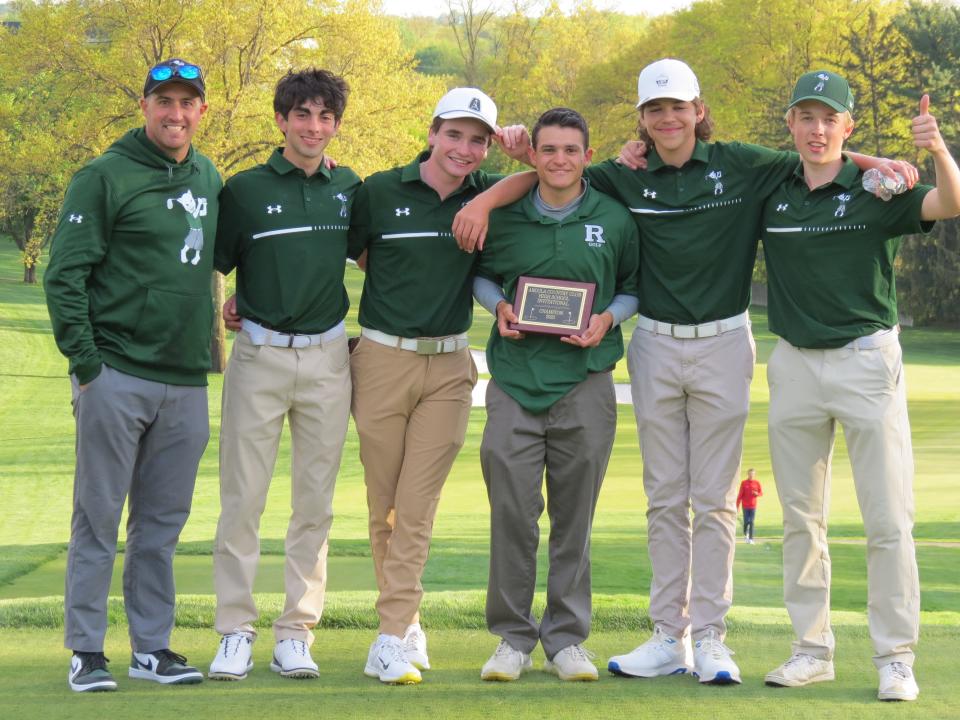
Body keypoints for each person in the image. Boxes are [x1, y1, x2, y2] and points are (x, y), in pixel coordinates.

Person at [451, 58, 911, 686]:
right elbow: (551, 172)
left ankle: (713, 637)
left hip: (725, 340)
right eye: (655, 109)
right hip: (656, 345)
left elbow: (820, 155)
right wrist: (484, 194)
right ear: (642, 118)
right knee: (665, 498)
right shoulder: (620, 175)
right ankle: (670, 635)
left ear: (698, 110)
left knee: (716, 502)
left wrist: (877, 164)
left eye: (678, 107)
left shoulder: (744, 162)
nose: (668, 118)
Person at [760, 71, 960, 702]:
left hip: (866, 361)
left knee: (887, 518)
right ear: (790, 122)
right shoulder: (771, 188)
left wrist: (934, 151)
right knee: (800, 519)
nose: (817, 130)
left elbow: (949, 203)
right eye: (806, 117)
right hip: (793, 364)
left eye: (830, 119)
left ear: (848, 126)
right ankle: (811, 650)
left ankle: (895, 657)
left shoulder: (879, 190)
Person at [44, 58, 220, 692]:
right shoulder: (103, 175)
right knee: (98, 517)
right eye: (164, 101)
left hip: (186, 379)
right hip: (115, 372)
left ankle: (152, 647)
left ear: (202, 111)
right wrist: (87, 365)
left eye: (187, 103)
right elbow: (63, 275)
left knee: (161, 526)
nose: (176, 113)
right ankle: (86, 650)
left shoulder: (208, 173)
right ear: (144, 106)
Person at [347, 88, 515, 685]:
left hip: (448, 368)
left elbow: (544, 178)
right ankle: (408, 620)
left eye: (479, 139)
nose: (464, 149)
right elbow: (343, 255)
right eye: (455, 134)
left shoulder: (490, 195)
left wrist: (496, 184)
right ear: (432, 131)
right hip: (381, 360)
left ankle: (389, 638)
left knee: (416, 508)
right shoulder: (378, 191)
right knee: (384, 507)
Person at [473, 108, 639, 683]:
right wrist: (496, 306)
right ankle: (512, 639)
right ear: (533, 156)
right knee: (512, 515)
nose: (560, 160)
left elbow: (634, 287)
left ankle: (567, 638)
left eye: (571, 149)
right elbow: (483, 274)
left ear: (587, 156)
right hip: (516, 383)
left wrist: (607, 320)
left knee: (576, 518)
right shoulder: (507, 214)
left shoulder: (614, 219)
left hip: (586, 381)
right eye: (549, 149)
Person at [208, 69, 360, 681]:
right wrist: (225, 311)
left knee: (314, 506)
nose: (314, 127)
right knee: (242, 499)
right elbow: (214, 271)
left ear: (336, 125)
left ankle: (296, 630)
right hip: (259, 356)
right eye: (302, 114)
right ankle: (234, 631)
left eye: (325, 117)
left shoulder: (351, 188)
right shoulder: (242, 190)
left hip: (328, 359)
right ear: (281, 120)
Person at [736, 469, 763, 543]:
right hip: (745, 506)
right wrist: (737, 506)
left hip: (753, 506)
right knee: (746, 522)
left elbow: (761, 493)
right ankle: (745, 534)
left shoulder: (757, 483)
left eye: (753, 474)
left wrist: (757, 494)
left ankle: (751, 539)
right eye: (750, 474)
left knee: (751, 522)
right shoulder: (744, 483)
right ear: (747, 474)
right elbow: (740, 495)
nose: (751, 475)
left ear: (754, 475)